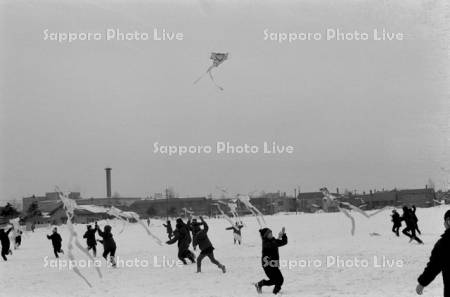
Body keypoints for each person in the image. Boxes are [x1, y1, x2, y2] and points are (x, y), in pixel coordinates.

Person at [416, 210, 450, 296]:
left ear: (446, 223)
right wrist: (422, 282)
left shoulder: (443, 244)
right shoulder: (443, 244)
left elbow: (433, 266)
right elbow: (434, 266)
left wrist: (422, 283)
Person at [255, 227, 288, 295]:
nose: (271, 234)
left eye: (271, 233)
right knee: (275, 281)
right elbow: (273, 244)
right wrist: (278, 237)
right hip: (267, 265)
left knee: (280, 280)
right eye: (270, 233)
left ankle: (275, 292)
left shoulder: (273, 240)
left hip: (274, 264)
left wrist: (283, 235)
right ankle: (262, 286)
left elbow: (284, 242)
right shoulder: (265, 243)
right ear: (266, 236)